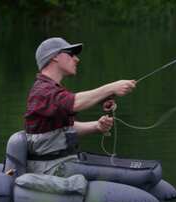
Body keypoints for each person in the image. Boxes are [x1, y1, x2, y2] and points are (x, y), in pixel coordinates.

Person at [24, 37, 136, 175]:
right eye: (71, 54)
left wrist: (96, 126)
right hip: (50, 168)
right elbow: (74, 103)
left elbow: (62, 130)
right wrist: (112, 88)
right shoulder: (43, 91)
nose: (77, 59)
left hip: (61, 163)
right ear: (55, 57)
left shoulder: (51, 90)